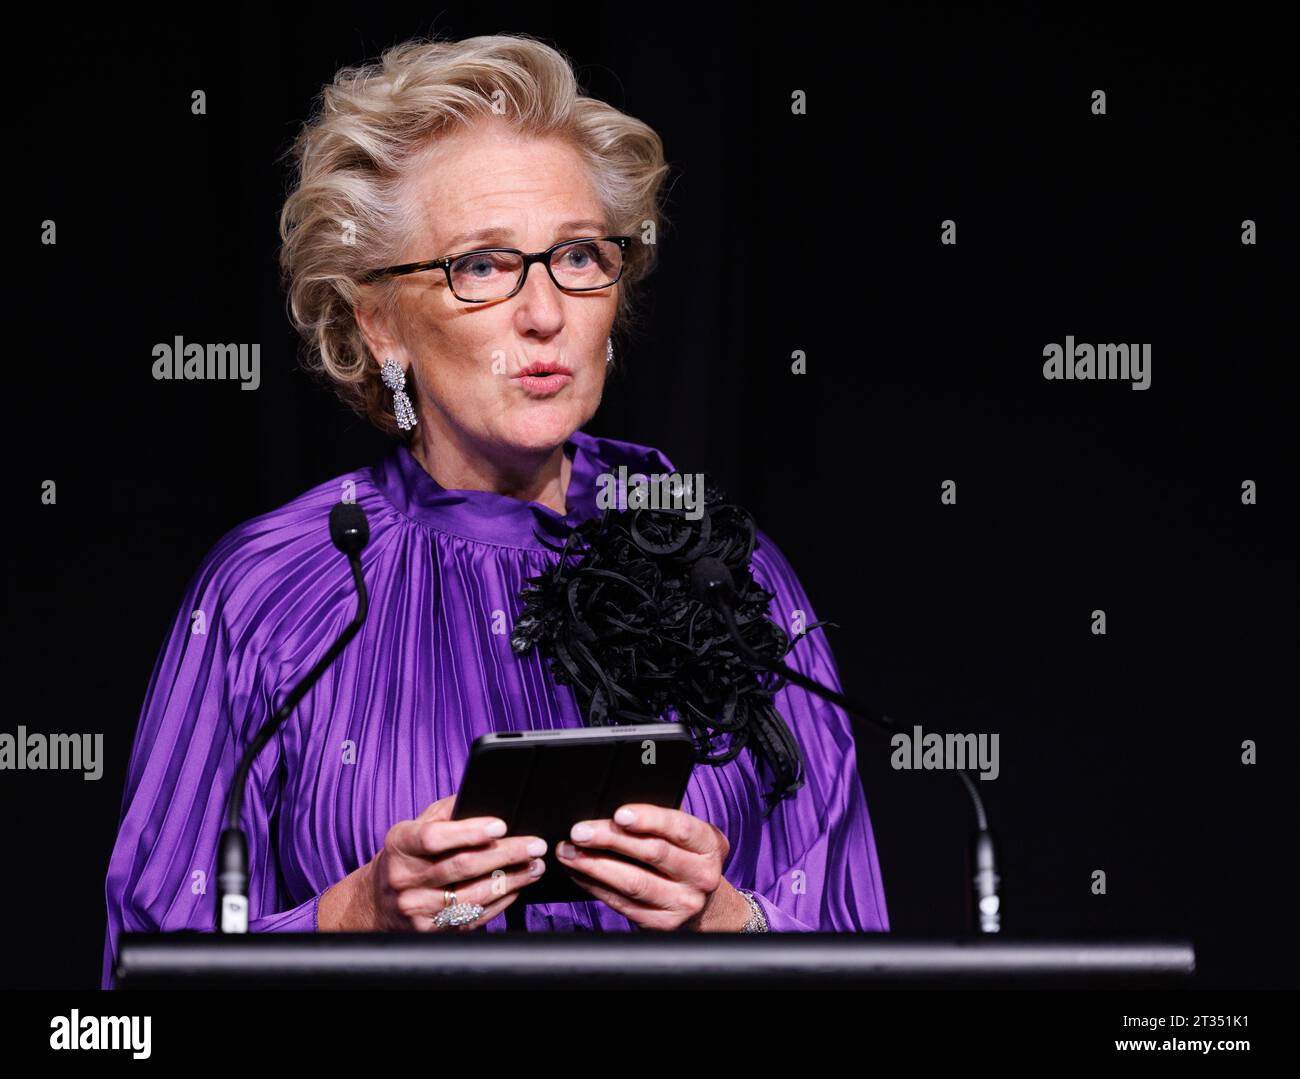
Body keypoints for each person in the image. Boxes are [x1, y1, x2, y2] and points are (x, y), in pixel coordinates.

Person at [101, 32, 889, 989]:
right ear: (377, 322)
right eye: (482, 265)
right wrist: (355, 916)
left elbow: (860, 950)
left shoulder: (727, 568)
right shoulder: (271, 591)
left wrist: (726, 919)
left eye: (578, 256)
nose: (544, 311)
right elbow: (143, 989)